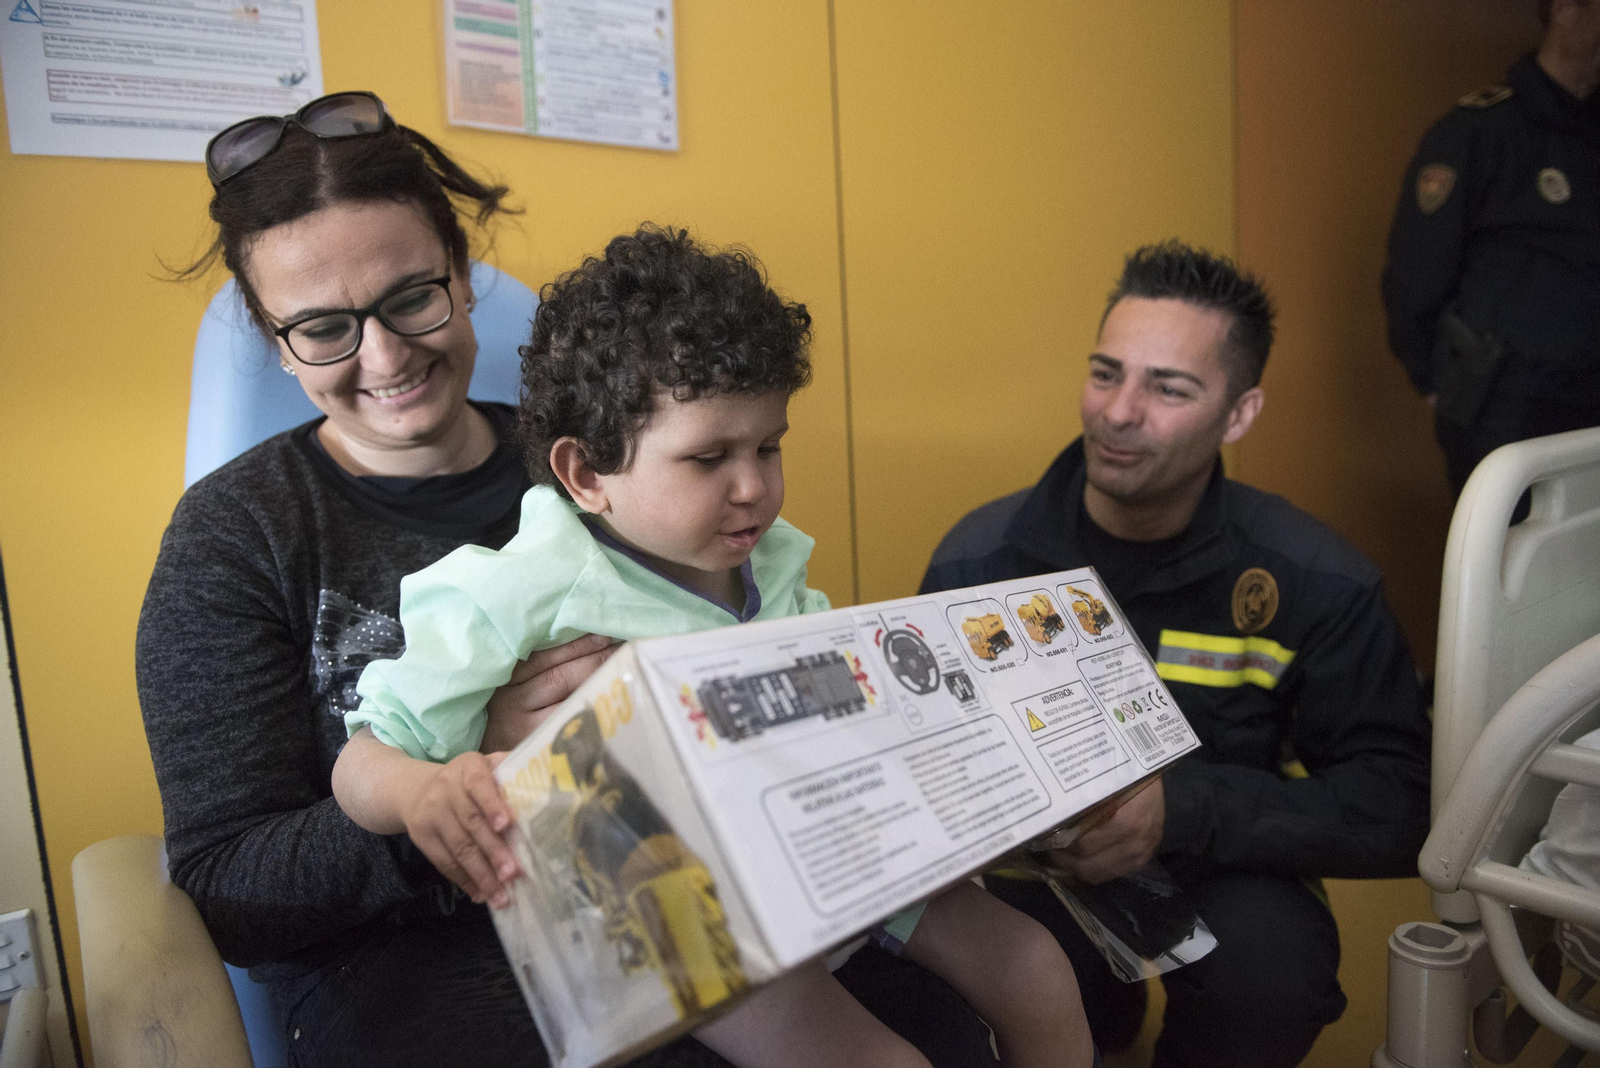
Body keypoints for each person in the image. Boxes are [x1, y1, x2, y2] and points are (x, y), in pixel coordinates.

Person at [136, 93, 997, 1068]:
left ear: (462, 275)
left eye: (411, 297)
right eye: (322, 329)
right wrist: (490, 782)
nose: (382, 357)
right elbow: (226, 882)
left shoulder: (631, 458)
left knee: (943, 1019)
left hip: (696, 872)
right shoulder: (237, 537)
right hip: (411, 955)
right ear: (272, 337)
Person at [331, 226, 1098, 1068]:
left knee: (1037, 969)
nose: (753, 487)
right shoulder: (518, 588)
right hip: (678, 910)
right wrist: (421, 797)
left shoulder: (770, 557)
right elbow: (363, 759)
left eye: (769, 446)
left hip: (822, 842)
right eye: (708, 458)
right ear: (586, 475)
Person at [920, 241, 1433, 1068]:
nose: (1119, 412)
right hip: (1036, 868)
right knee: (979, 992)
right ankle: (1103, 1005)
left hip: (1223, 854)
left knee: (1272, 982)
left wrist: (1183, 809)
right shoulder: (980, 562)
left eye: (1168, 388)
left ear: (1239, 414)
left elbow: (1397, 806)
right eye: (1105, 372)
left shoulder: (1317, 581)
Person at [1382, 0, 1600, 498]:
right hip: (1507, 413)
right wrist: (1437, 384)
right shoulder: (1479, 132)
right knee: (1505, 568)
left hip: (1589, 411)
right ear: (1568, 10)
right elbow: (1416, 277)